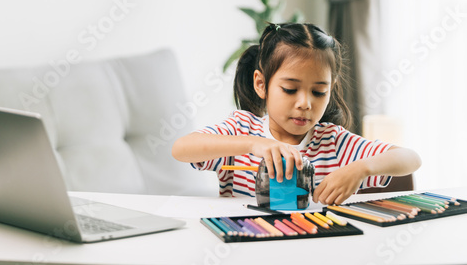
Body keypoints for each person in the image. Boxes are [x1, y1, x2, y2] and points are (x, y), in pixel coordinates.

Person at [172, 23, 421, 205]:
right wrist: (254, 144)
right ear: (261, 84)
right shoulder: (242, 130)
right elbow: (182, 149)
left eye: (319, 92)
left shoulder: (334, 142)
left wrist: (360, 169)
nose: (305, 103)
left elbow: (410, 159)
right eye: (290, 89)